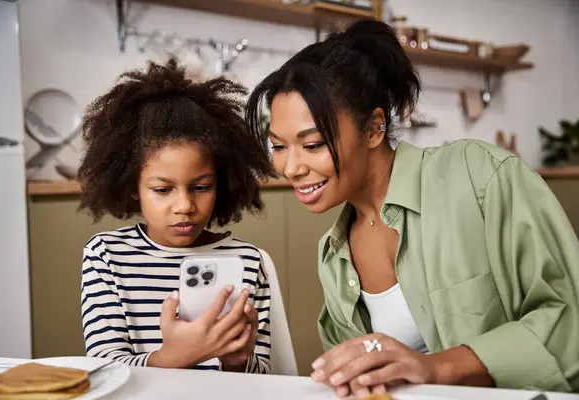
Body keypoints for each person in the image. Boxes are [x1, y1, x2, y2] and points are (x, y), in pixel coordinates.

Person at [245, 20, 579, 396]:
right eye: (279, 146)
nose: (290, 168)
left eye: (313, 144)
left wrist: (435, 368)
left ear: (373, 129)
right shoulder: (333, 258)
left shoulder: (480, 177)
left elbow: (569, 316)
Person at [78, 58, 274, 373]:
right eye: (163, 190)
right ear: (132, 187)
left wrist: (237, 360)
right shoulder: (106, 256)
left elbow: (263, 377)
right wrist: (174, 357)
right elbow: (104, 368)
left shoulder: (247, 261)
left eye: (201, 187)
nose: (184, 206)